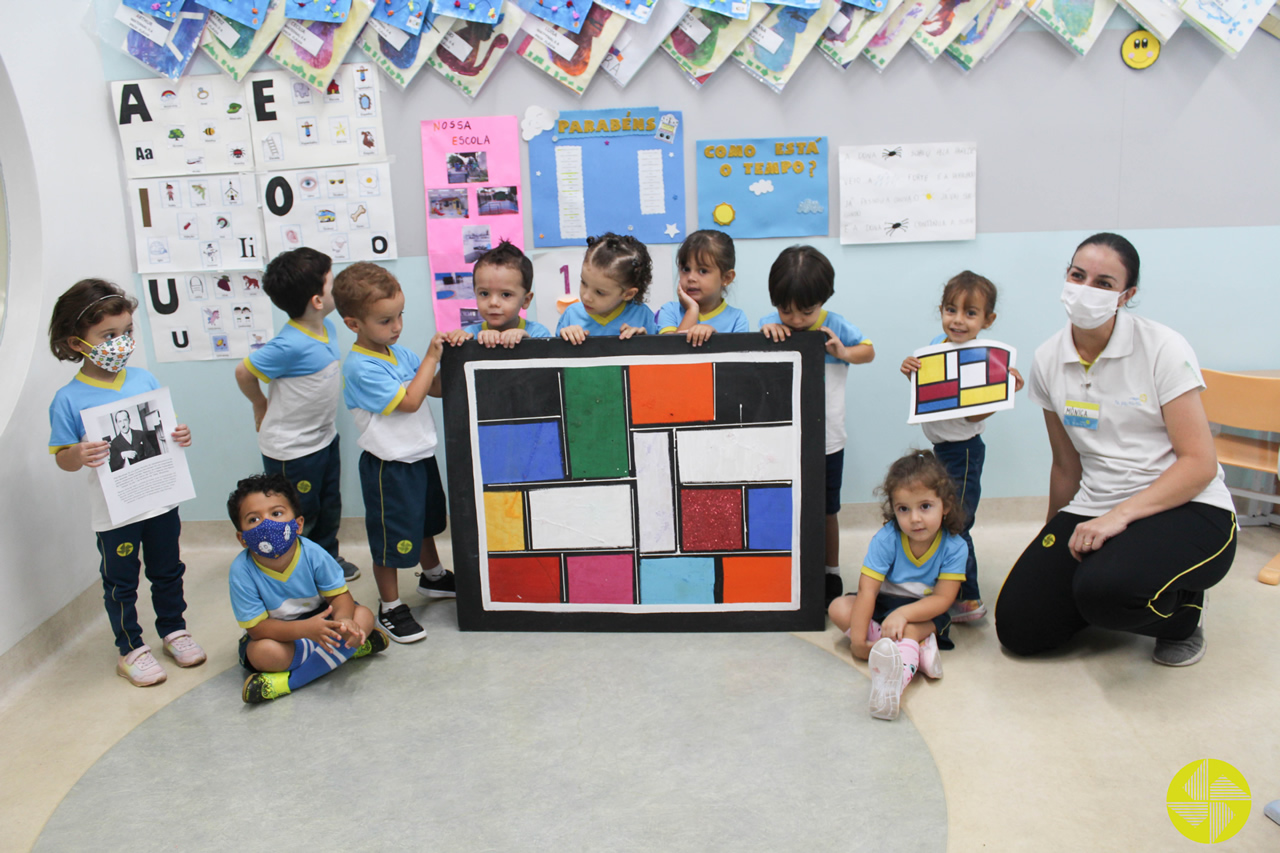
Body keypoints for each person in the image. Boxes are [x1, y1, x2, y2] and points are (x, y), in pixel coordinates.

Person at [995, 232, 1236, 666]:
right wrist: (1047, 544)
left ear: (1127, 295)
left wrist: (1118, 517)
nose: (1085, 289)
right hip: (1096, 504)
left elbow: (1199, 463)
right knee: (1020, 629)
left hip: (1185, 503)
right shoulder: (1048, 358)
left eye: (1104, 283)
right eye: (1077, 275)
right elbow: (1066, 465)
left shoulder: (1163, 347)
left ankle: (1183, 614)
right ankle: (1110, 589)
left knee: (1103, 592)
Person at [47, 279, 205, 687]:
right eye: (108, 335)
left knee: (168, 569)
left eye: (127, 332)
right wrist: (77, 455)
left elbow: (164, 432)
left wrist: (180, 436)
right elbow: (63, 458)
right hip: (115, 511)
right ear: (77, 342)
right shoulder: (68, 399)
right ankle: (131, 648)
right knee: (121, 581)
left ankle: (174, 630)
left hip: (161, 501)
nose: (122, 342)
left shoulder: (144, 381)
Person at [334, 262, 453, 644]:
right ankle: (390, 606)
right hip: (389, 468)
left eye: (400, 315)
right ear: (354, 324)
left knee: (424, 524)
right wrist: (431, 356)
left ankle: (433, 576)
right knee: (391, 539)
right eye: (386, 320)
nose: (397, 326)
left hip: (419, 457)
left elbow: (432, 388)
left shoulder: (397, 354)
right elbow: (410, 401)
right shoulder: (360, 367)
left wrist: (455, 356)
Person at [899, 272, 1024, 624]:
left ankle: (968, 598)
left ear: (988, 320)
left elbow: (973, 417)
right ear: (941, 310)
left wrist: (1002, 390)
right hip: (941, 450)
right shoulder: (937, 347)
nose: (958, 320)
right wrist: (911, 372)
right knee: (944, 519)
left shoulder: (985, 358)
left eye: (971, 313)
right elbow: (929, 394)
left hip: (964, 451)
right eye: (951, 309)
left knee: (957, 523)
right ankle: (944, 586)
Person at [234, 248, 360, 582]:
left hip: (323, 439)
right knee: (300, 513)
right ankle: (299, 571)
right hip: (291, 451)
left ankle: (326, 559)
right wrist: (259, 404)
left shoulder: (328, 327)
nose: (340, 287)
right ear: (318, 300)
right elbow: (244, 373)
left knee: (328, 505)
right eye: (333, 282)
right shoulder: (289, 344)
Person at [759, 245, 875, 606]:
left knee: (827, 510)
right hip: (784, 437)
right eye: (785, 310)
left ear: (823, 300)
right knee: (783, 503)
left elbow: (868, 351)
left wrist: (843, 352)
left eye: (805, 311)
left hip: (828, 440)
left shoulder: (835, 324)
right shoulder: (773, 323)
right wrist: (766, 329)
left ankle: (831, 570)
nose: (794, 320)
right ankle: (788, 563)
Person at [227, 473, 388, 704]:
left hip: (322, 619)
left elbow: (340, 596)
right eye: (254, 519)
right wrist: (306, 630)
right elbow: (258, 630)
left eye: (276, 513)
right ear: (242, 539)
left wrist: (344, 620)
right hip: (279, 634)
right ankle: (346, 651)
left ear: (298, 524)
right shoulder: (241, 571)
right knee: (262, 654)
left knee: (363, 615)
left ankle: (288, 682)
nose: (267, 524)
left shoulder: (313, 553)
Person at [829, 451, 963, 720]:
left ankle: (894, 682)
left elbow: (943, 599)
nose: (914, 518)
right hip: (882, 605)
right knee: (838, 607)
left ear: (945, 505)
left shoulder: (955, 546)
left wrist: (903, 615)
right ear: (893, 509)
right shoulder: (886, 539)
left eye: (925, 506)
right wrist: (857, 641)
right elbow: (868, 590)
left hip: (924, 612)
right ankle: (914, 651)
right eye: (904, 509)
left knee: (914, 628)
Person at [442, 240, 551, 349]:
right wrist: (457, 343)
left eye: (506, 295)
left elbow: (548, 364)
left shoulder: (538, 334)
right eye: (484, 293)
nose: (493, 303)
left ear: (526, 300)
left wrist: (527, 341)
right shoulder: (470, 335)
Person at [557, 233, 658, 344]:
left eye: (599, 292)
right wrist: (565, 338)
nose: (586, 297)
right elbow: (553, 356)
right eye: (584, 283)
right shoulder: (571, 315)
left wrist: (643, 341)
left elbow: (655, 357)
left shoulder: (643, 315)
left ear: (628, 294)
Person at [656, 229, 748, 346]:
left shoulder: (737, 319)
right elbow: (671, 353)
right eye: (685, 269)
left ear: (726, 278)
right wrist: (692, 310)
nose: (691, 278)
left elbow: (736, 362)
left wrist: (714, 338)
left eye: (703, 271)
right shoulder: (669, 311)